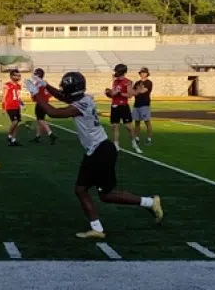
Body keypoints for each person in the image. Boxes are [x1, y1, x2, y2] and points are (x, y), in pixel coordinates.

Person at [26, 72, 163, 239]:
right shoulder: (84, 99)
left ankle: (144, 205)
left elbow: (53, 112)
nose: (63, 90)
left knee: (96, 192)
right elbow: (64, 97)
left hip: (100, 151)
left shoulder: (80, 105)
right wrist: (45, 85)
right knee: (90, 191)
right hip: (99, 149)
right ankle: (143, 205)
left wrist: (35, 93)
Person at [105, 63, 142, 154]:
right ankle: (116, 145)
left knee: (128, 127)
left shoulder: (127, 82)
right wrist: (109, 93)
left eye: (117, 71)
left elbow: (129, 95)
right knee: (115, 126)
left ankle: (134, 144)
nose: (115, 73)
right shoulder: (115, 81)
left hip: (123, 106)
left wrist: (119, 93)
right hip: (114, 106)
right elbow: (113, 94)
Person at [29, 68, 56, 145]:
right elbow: (49, 94)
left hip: (40, 104)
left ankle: (51, 134)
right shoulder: (45, 83)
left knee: (41, 120)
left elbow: (34, 95)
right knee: (38, 121)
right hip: (45, 103)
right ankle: (38, 136)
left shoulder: (37, 84)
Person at [1, 69, 24, 146]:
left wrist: (22, 104)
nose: (18, 77)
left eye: (19, 75)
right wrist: (3, 108)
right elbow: (4, 97)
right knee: (15, 121)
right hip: (10, 106)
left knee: (17, 124)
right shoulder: (7, 85)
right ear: (11, 76)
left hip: (17, 106)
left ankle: (13, 140)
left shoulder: (18, 86)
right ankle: (9, 136)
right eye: (16, 75)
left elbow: (19, 97)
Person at [132, 67, 154, 147]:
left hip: (144, 104)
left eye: (144, 72)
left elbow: (142, 91)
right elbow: (133, 92)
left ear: (147, 74)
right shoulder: (137, 82)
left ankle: (149, 139)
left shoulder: (149, 82)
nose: (142, 74)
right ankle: (137, 138)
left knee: (147, 122)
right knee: (137, 122)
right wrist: (137, 91)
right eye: (141, 72)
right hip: (136, 104)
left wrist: (137, 91)